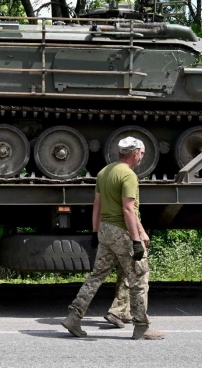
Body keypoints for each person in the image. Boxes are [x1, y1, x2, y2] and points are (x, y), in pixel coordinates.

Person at [62, 137, 164, 340]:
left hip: (105, 230)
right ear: (134, 153)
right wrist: (136, 240)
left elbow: (97, 205)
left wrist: (94, 231)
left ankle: (74, 316)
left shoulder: (104, 172)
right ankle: (141, 326)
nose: (142, 157)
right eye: (141, 154)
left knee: (96, 276)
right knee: (139, 278)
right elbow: (128, 209)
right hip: (122, 232)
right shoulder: (128, 175)